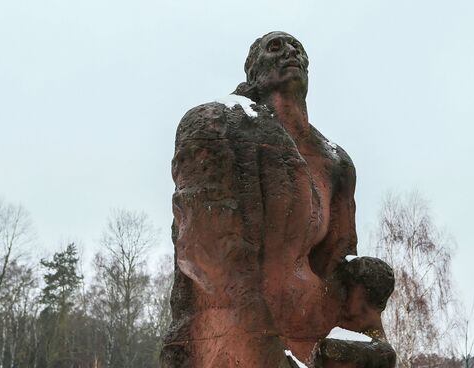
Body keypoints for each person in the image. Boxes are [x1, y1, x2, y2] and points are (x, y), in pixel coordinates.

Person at [162, 31, 393, 368]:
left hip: (310, 312)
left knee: (374, 276)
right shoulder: (217, 122)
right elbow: (205, 246)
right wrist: (258, 327)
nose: (290, 53)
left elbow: (339, 255)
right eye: (275, 47)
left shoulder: (335, 162)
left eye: (298, 49)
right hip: (234, 310)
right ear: (252, 70)